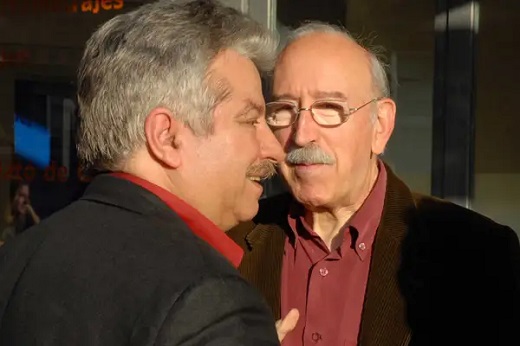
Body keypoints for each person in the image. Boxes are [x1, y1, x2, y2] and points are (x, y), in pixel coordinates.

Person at [0, 1, 292, 344]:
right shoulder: (210, 301)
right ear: (166, 137)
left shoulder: (15, 261)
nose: (274, 148)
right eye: (249, 120)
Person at [228, 22, 520, 346]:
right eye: (283, 110)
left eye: (329, 108)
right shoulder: (228, 242)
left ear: (380, 125)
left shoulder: (475, 255)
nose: (301, 134)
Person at [0, 180, 40, 245]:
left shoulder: (30, 222)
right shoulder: (8, 231)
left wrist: (32, 213)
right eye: (21, 195)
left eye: (27, 197)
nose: (25, 201)